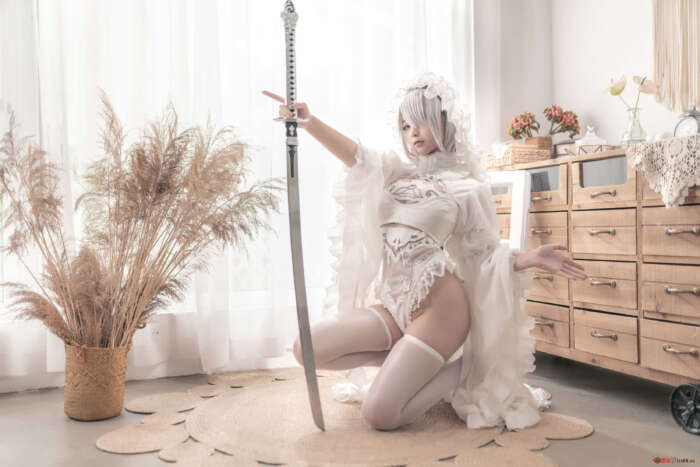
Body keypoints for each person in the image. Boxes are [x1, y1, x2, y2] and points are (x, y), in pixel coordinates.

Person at [262, 72, 588, 432]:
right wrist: (309, 123)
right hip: (394, 303)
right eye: (405, 125)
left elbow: (483, 254)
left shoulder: (468, 188)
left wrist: (530, 258)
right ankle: (411, 361)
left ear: (444, 122)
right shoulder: (395, 173)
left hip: (440, 311)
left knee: (379, 415)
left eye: (421, 121)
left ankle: (461, 370)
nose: (413, 132)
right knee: (306, 349)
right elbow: (357, 156)